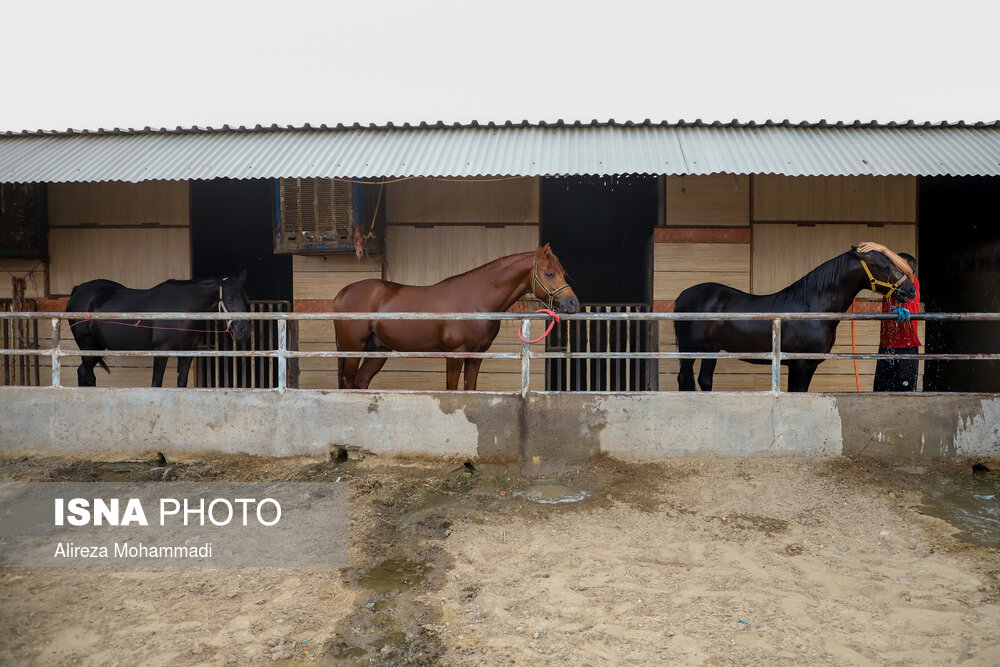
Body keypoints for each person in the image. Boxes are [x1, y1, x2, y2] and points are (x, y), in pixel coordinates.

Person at [857, 241, 921, 391]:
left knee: (904, 393)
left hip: (907, 348)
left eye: (896, 268)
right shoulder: (890, 287)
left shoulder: (911, 283)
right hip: (886, 347)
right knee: (881, 391)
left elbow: (908, 271)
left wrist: (884, 249)